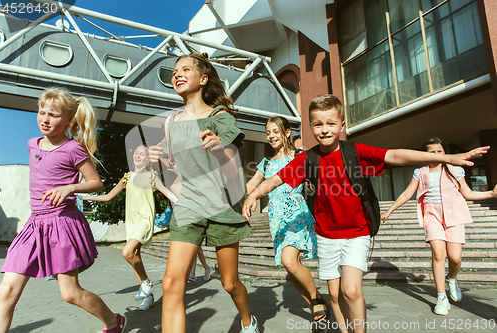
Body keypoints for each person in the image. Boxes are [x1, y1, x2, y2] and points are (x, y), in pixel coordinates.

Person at [242, 94, 489, 333]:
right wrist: (254, 194)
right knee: (336, 296)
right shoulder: (308, 158)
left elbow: (395, 155)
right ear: (310, 126)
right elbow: (275, 179)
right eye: (318, 124)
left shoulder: (354, 151)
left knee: (350, 290)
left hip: (356, 233)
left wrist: (448, 158)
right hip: (326, 236)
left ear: (341, 124)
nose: (325, 129)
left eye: (331, 123)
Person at [0, 88, 126, 333]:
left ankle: (114, 321)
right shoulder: (31, 144)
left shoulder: (72, 149)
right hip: (34, 226)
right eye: (41, 112)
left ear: (68, 120)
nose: (45, 119)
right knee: (6, 290)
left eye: (53, 115)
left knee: (70, 294)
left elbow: (96, 182)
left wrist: (70, 188)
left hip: (61, 225)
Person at [148, 52, 257, 333]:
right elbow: (172, 170)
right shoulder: (171, 123)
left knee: (229, 282)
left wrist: (222, 153)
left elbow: (234, 176)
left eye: (185, 69)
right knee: (171, 282)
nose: (177, 75)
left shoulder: (220, 118)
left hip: (222, 204)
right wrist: (153, 158)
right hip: (189, 205)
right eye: (174, 72)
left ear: (203, 78)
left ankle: (248, 321)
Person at [381, 137, 497, 315]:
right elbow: (406, 194)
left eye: (440, 151)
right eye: (432, 152)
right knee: (438, 253)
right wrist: (389, 211)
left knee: (455, 258)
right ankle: (441, 297)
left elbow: (468, 193)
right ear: (424, 155)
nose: (436, 154)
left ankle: (451, 279)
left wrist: (491, 193)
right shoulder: (420, 172)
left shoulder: (455, 170)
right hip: (432, 215)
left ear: (445, 152)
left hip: (455, 215)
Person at [245, 116, 325, 325]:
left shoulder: (300, 156)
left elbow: (319, 177)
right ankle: (319, 312)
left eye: (275, 131)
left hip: (296, 212)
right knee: (290, 266)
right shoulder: (265, 163)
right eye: (268, 132)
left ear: (287, 132)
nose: (271, 136)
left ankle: (317, 300)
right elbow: (251, 186)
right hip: (276, 218)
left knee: (290, 260)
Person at [82, 145, 177, 311]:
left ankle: (146, 283)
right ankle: (148, 296)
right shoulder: (127, 177)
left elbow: (167, 192)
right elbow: (108, 196)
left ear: (148, 160)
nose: (138, 156)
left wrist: (183, 201)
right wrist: (83, 196)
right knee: (134, 257)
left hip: (144, 220)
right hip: (131, 223)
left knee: (126, 252)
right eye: (136, 153)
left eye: (142, 154)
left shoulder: (151, 176)